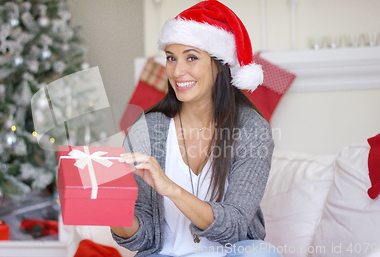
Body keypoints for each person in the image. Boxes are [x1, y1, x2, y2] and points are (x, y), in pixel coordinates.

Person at [112, 1, 282, 256]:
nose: (177, 71)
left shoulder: (251, 129)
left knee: (260, 252)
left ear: (219, 64)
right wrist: (111, 209)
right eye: (171, 58)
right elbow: (143, 239)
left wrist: (170, 188)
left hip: (229, 253)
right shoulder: (147, 129)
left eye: (191, 57)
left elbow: (235, 225)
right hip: (165, 254)